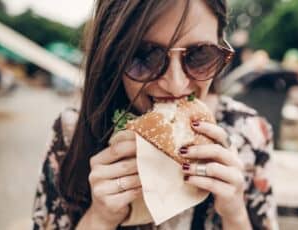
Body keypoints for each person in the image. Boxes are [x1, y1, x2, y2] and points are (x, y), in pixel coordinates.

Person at [32, 0, 278, 229]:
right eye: (144, 56)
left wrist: (235, 214)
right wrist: (99, 218)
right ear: (111, 56)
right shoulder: (70, 133)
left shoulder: (251, 133)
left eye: (200, 54)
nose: (175, 84)